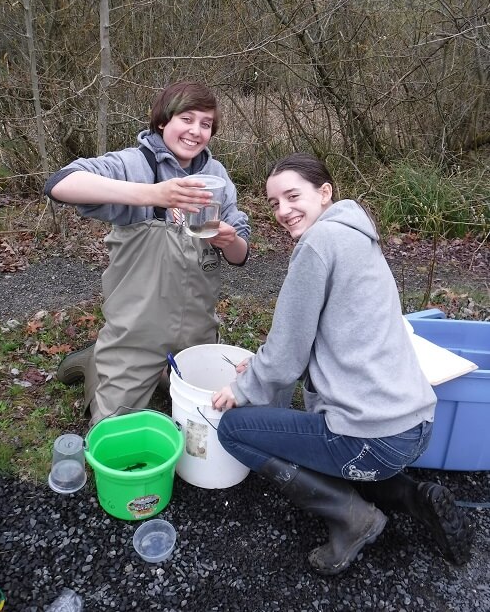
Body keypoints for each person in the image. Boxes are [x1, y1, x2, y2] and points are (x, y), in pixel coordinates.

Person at [212, 152, 472, 576]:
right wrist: (264, 369)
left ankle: (355, 519)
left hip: (373, 438)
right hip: (417, 425)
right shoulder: (358, 235)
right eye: (274, 203)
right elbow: (317, 339)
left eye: (292, 196)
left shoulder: (317, 244)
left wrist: (242, 389)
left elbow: (287, 354)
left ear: (324, 192)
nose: (283, 211)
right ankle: (412, 497)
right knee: (329, 439)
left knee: (234, 430)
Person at [45, 81, 250, 424]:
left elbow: (240, 255)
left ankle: (159, 369)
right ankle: (97, 360)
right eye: (187, 118)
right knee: (115, 428)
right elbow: (60, 184)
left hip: (197, 333)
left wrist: (228, 239)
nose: (196, 131)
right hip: (136, 333)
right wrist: (154, 195)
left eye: (206, 124)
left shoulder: (217, 177)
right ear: (162, 122)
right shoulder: (133, 164)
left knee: (219, 414)